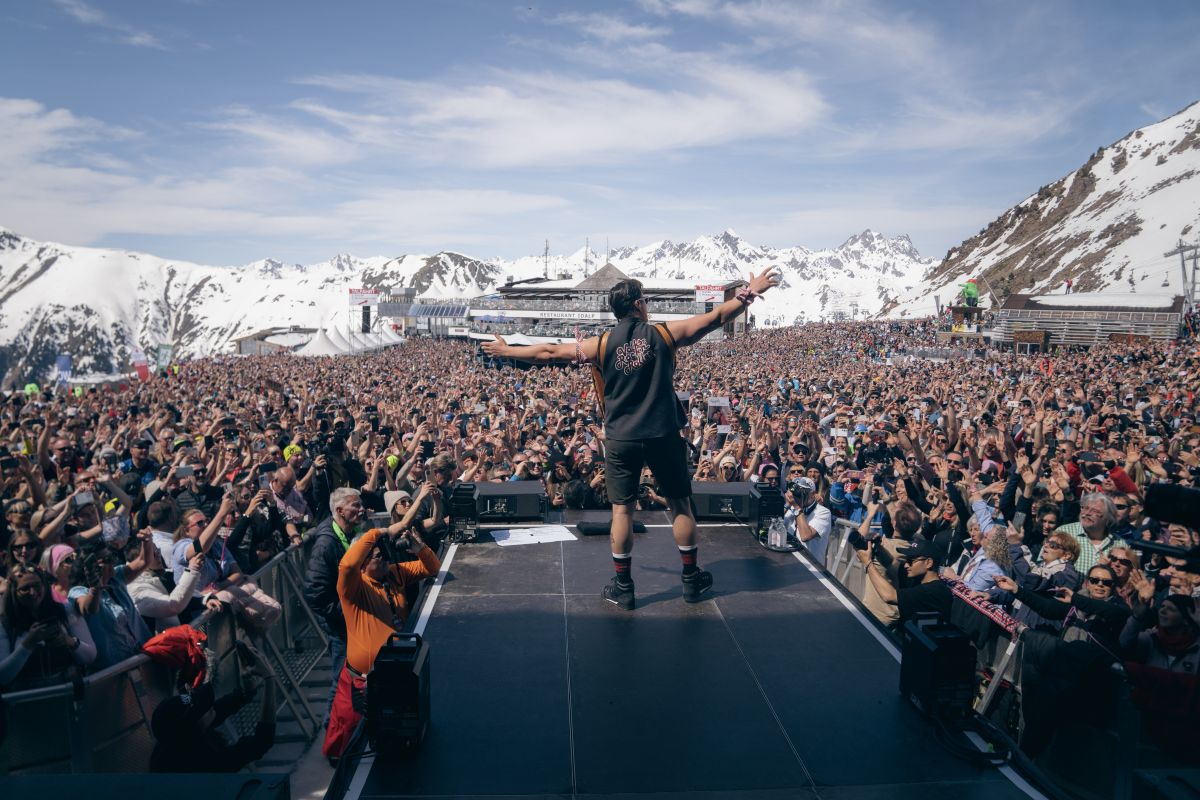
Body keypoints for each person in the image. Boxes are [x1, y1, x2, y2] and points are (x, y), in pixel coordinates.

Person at [483, 268, 782, 610]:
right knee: (679, 504)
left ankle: (623, 587)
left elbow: (549, 352)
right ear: (639, 304)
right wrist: (747, 294)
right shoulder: (664, 334)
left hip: (621, 437)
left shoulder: (600, 344)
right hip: (662, 433)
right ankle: (690, 580)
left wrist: (507, 351)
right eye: (646, 301)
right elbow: (715, 318)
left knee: (622, 510)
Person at [323, 522, 441, 759]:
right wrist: (379, 532)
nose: (386, 559)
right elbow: (347, 565)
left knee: (395, 738)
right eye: (378, 556)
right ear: (364, 564)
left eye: (385, 553)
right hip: (362, 683)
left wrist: (419, 548)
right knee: (348, 742)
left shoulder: (394, 574)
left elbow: (432, 568)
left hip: (395, 676)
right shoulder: (353, 588)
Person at [304, 486, 364, 721]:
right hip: (339, 623)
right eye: (355, 506)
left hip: (349, 618)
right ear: (339, 510)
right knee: (341, 678)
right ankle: (331, 730)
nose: (361, 509)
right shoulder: (326, 544)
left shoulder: (351, 533)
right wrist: (343, 611)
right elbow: (314, 593)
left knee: (352, 673)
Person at [0, 563, 96, 689]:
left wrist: (68, 641)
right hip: (28, 696)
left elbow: (90, 656)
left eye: (36, 586)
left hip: (68, 691)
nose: (32, 592)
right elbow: (3, 677)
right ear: (14, 591)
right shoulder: (5, 623)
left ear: (44, 585)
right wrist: (28, 643)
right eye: (25, 588)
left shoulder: (65, 610)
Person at [855, 538, 952, 624]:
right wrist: (878, 547)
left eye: (911, 561)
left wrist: (868, 563)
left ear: (928, 563)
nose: (906, 565)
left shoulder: (934, 591)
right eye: (906, 560)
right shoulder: (918, 579)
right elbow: (892, 563)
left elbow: (889, 596)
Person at [784, 476, 831, 565]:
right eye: (796, 491)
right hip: (791, 561)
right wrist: (787, 504)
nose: (798, 495)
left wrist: (797, 508)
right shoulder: (792, 508)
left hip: (812, 566)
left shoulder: (823, 512)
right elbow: (776, 523)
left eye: (802, 492)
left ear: (813, 494)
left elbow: (805, 536)